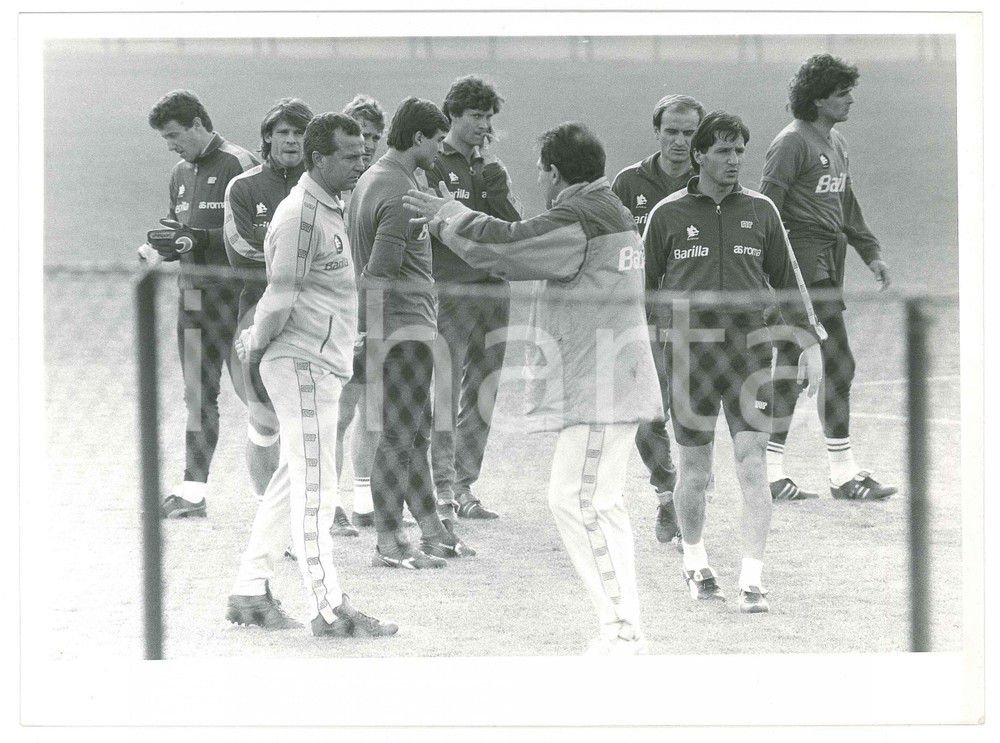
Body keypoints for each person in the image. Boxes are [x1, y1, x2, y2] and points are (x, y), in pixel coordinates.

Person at [404, 121, 662, 655]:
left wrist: (447, 214)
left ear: (554, 172)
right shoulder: (606, 209)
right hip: (614, 381)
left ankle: (622, 630)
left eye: (542, 171)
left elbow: (508, 248)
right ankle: (623, 626)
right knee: (597, 502)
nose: (540, 179)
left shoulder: (581, 216)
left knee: (578, 501)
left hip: (601, 386)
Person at [642, 111, 824, 614]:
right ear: (699, 155)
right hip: (689, 357)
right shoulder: (666, 215)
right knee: (695, 471)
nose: (734, 159)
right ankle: (696, 564)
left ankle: (752, 579)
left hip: (749, 355)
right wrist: (642, 357)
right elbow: (643, 292)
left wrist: (810, 343)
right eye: (723, 150)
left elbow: (787, 281)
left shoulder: (762, 211)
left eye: (739, 150)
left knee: (752, 461)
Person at [227, 112, 397, 638]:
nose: (360, 163)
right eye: (349, 155)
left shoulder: (329, 205)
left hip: (320, 364)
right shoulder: (300, 214)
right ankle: (329, 609)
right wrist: (256, 348)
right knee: (317, 490)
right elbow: (280, 293)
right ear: (318, 158)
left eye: (363, 153)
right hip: (301, 365)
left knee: (291, 481)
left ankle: (249, 591)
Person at [347, 96, 475, 569]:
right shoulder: (399, 191)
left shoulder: (373, 178)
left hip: (400, 329)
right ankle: (388, 541)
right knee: (399, 438)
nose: (441, 148)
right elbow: (378, 273)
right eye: (437, 140)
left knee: (415, 435)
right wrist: (368, 333)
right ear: (418, 137)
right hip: (402, 332)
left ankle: (433, 532)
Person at [763, 53, 896, 502]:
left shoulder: (836, 143)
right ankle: (841, 473)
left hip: (826, 264)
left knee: (793, 363)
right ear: (818, 99)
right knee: (837, 363)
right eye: (842, 93)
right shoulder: (790, 144)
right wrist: (774, 271)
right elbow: (767, 207)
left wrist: (870, 252)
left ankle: (772, 472)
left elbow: (846, 204)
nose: (850, 100)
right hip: (801, 268)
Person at [144, 90, 258, 519]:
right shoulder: (178, 173)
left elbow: (256, 236)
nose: (170, 145)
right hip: (192, 299)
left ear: (197, 124)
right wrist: (162, 247)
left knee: (260, 397)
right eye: (165, 138)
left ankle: (286, 492)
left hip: (237, 300)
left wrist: (198, 239)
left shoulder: (239, 164)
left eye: (174, 135)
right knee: (197, 395)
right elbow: (181, 232)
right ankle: (193, 494)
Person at [426, 75, 522, 525]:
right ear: (453, 116)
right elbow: (433, 225)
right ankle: (441, 486)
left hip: (494, 289)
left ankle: (464, 485)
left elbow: (511, 226)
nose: (485, 125)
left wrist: (481, 205)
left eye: (489, 117)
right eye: (476, 116)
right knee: (444, 388)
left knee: (485, 388)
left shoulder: (492, 168)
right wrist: (474, 223)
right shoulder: (434, 163)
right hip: (451, 289)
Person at [612, 93, 705, 546]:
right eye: (672, 131)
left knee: (690, 411)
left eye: (690, 133)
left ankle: (689, 496)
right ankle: (667, 492)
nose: (680, 141)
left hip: (696, 317)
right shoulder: (629, 183)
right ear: (657, 132)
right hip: (641, 315)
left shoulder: (709, 183)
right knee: (646, 410)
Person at [333, 94, 401, 531]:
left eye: (374, 137)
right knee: (337, 413)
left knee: (374, 412)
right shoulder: (329, 187)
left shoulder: (379, 185)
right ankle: (328, 503)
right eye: (360, 136)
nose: (368, 145)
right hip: (340, 315)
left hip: (377, 312)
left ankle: (362, 501)